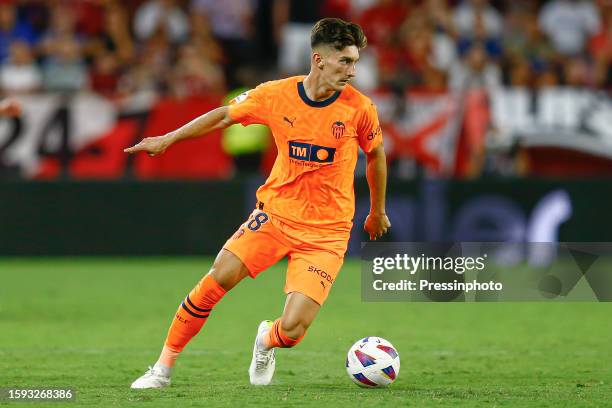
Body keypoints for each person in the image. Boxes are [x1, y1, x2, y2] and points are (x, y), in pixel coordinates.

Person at [124, 17, 390, 388]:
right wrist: (168, 139)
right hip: (276, 215)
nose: (353, 71)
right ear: (319, 60)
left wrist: (377, 211)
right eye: (345, 62)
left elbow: (376, 155)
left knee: (294, 330)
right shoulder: (274, 94)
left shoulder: (359, 109)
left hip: (326, 232)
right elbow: (223, 116)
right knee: (218, 277)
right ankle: (162, 369)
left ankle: (266, 338)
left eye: (355, 62)